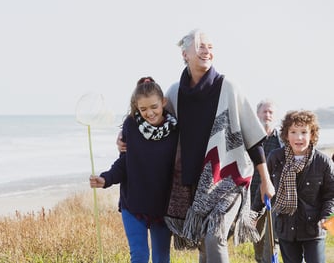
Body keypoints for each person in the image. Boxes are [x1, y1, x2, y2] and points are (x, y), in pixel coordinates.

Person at [117, 29, 276, 262]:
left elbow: (253, 138)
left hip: (228, 180)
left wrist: (266, 181)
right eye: (201, 46)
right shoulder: (174, 92)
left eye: (211, 47)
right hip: (192, 183)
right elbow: (152, 119)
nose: (207, 51)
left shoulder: (228, 87)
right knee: (203, 243)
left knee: (214, 236)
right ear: (185, 54)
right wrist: (124, 133)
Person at [89, 76, 178, 263]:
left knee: (161, 258)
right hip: (133, 203)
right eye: (143, 109)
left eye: (154, 107)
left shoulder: (175, 131)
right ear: (136, 107)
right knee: (139, 256)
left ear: (163, 102)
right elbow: (124, 163)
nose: (150, 113)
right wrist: (105, 179)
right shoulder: (131, 126)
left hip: (162, 207)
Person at [264, 110, 334, 263]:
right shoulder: (275, 158)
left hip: (314, 229)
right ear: (286, 134)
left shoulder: (323, 162)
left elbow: (330, 195)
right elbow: (264, 187)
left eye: (304, 132)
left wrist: (325, 216)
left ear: (312, 134)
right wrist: (254, 213)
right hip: (285, 227)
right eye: (293, 131)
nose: (299, 137)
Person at [250, 99, 283, 263]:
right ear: (257, 114)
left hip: (274, 197)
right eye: (265, 111)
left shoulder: (281, 140)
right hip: (253, 196)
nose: (268, 115)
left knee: (272, 241)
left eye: (271, 112)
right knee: (257, 238)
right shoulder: (250, 138)